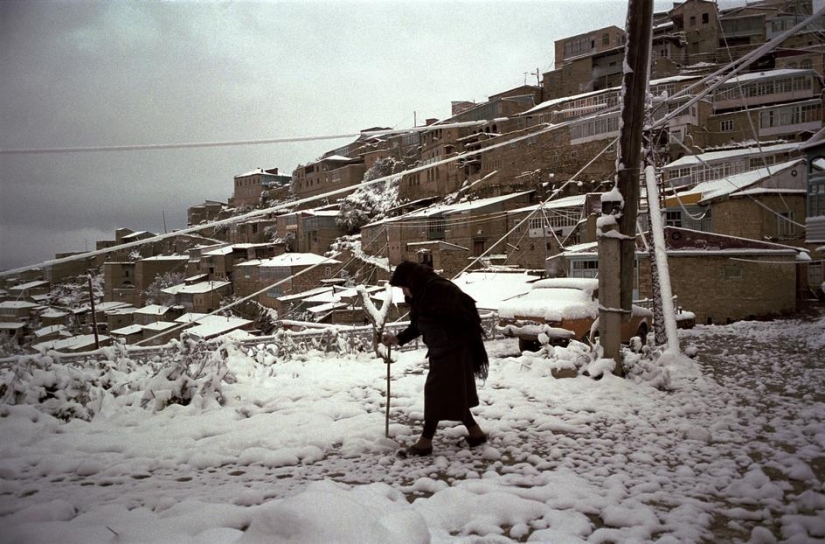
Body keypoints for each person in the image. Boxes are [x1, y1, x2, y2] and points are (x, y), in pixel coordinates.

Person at [381, 261, 489, 457]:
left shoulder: (439, 290)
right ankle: (475, 432)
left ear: (411, 281)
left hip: (453, 351)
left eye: (404, 287)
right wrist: (398, 338)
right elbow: (419, 324)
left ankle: (425, 442)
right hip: (444, 351)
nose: (404, 293)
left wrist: (445, 342)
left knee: (434, 393)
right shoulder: (423, 293)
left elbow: (459, 320)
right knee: (454, 393)